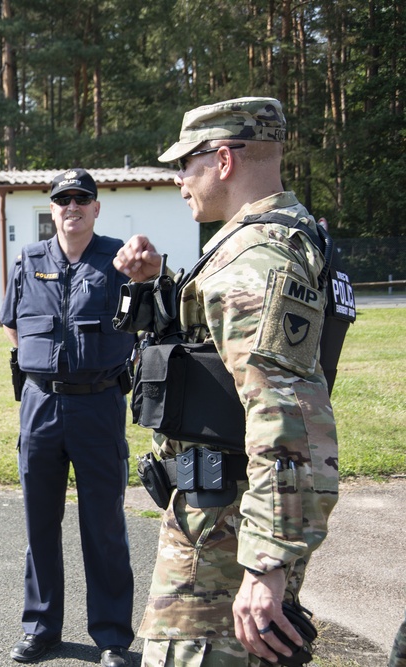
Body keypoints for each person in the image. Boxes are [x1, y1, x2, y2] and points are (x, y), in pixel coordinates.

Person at [113, 97, 339, 666]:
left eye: (185, 165)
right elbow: (214, 356)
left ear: (223, 159)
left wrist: (265, 565)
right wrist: (161, 282)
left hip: (225, 532)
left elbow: (286, 419)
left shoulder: (255, 261)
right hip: (218, 516)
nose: (180, 180)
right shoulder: (259, 245)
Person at [0, 169, 136, 666]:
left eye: (82, 198)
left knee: (103, 524)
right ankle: (41, 628)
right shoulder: (29, 260)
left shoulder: (118, 260)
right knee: (40, 523)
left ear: (96, 208)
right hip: (40, 406)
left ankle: (113, 636)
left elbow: (143, 320)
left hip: (99, 405)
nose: (72, 206)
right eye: (62, 200)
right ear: (52, 209)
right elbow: (13, 324)